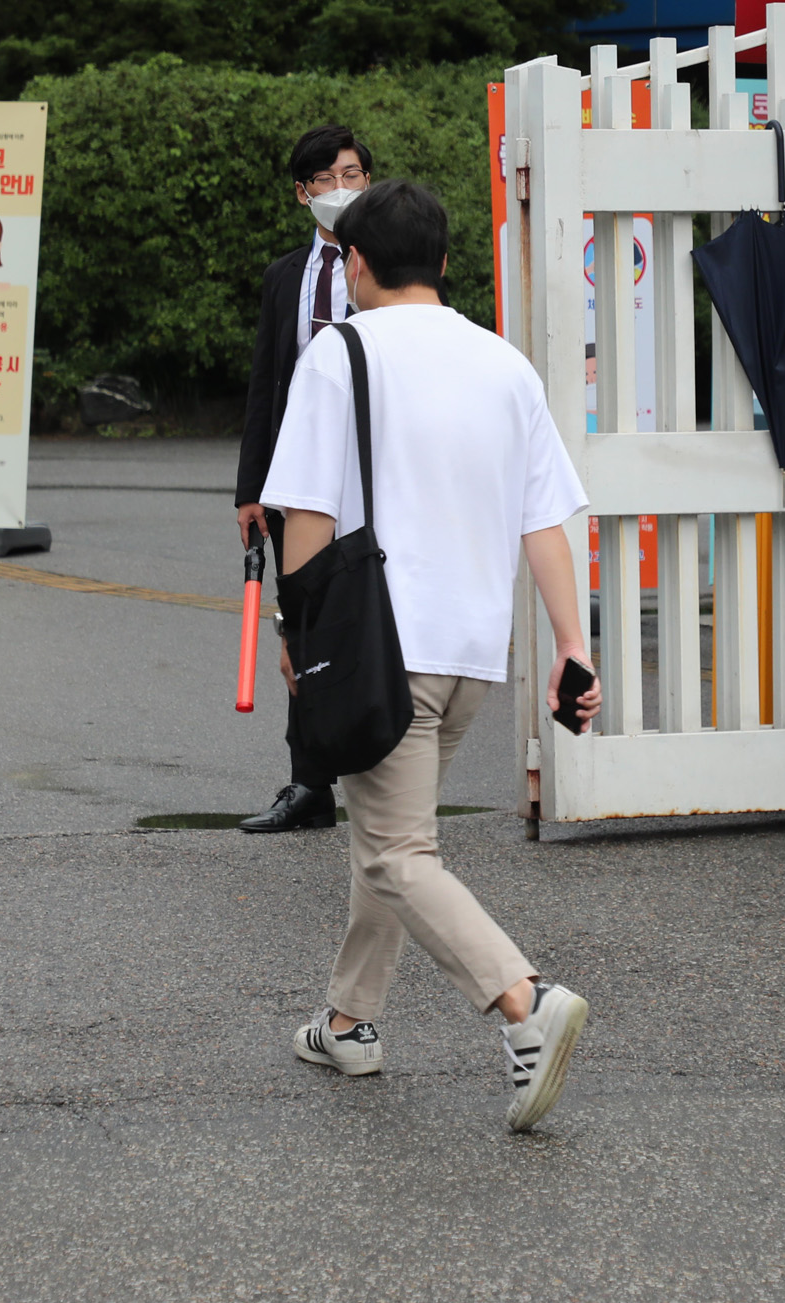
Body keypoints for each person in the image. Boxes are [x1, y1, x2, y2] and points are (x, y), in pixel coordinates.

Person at [260, 178, 601, 1132]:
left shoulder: (340, 354)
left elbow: (308, 517)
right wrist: (573, 647)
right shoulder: (506, 364)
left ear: (355, 265)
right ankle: (349, 1020)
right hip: (468, 657)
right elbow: (546, 522)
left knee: (399, 850)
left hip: (379, 651)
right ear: (446, 263)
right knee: (393, 836)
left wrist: (300, 633)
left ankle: (525, 1005)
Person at [235, 125, 374, 833]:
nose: (341, 189)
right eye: (326, 179)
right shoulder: (284, 276)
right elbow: (265, 383)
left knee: (376, 614)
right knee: (303, 622)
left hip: (375, 475)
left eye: (353, 174)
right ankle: (309, 782)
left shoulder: (386, 265)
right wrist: (250, 489)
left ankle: (384, 771)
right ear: (303, 193)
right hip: (300, 476)